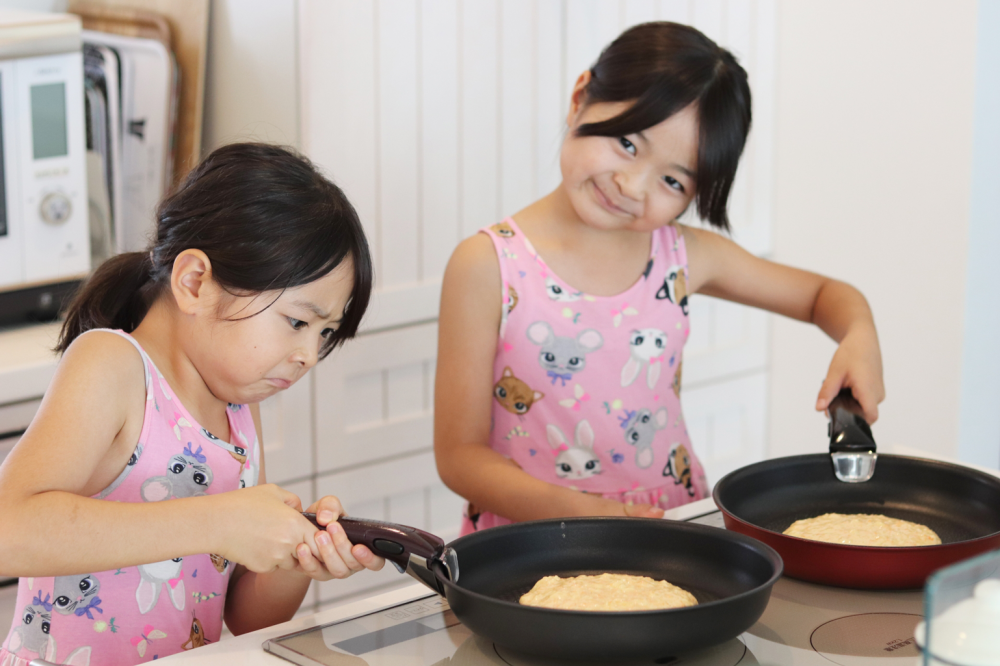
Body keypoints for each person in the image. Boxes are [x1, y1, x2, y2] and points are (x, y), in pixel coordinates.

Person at [434, 22, 884, 535]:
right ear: (581, 97)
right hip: (533, 536)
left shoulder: (682, 255)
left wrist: (860, 336)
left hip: (668, 527)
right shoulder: (487, 264)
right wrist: (583, 512)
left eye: (672, 180)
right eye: (627, 143)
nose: (631, 185)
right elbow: (459, 457)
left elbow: (825, 296)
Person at [0, 143, 384, 666]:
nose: (308, 355)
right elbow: (10, 529)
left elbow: (246, 620)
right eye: (298, 322)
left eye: (326, 333)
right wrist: (221, 521)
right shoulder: (113, 366)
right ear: (194, 282)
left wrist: (298, 558)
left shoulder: (238, 413)